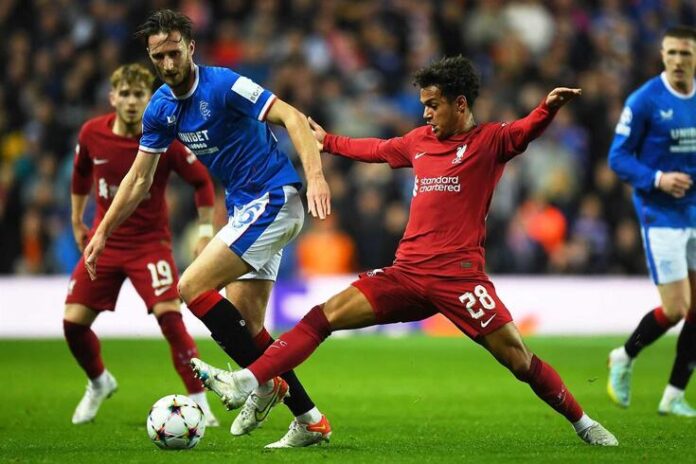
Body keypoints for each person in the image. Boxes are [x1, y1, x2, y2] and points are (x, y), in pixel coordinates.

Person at [191, 56, 619, 447]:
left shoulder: (490, 141)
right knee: (323, 316)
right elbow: (375, 150)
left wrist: (547, 109)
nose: (426, 113)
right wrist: (328, 142)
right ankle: (251, 381)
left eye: (433, 105)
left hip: (460, 279)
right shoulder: (418, 141)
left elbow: (526, 130)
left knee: (519, 361)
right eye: (424, 105)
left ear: (461, 104)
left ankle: (584, 423)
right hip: (406, 274)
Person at [82, 9, 332, 448]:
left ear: (190, 48)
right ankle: (308, 417)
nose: (168, 63)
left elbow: (293, 116)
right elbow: (139, 180)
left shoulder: (224, 84)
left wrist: (315, 176)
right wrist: (101, 231)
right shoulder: (160, 107)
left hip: (273, 197)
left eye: (174, 52)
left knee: (191, 285)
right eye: (158, 57)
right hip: (244, 209)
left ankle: (257, 381)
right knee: (249, 325)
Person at [65, 63, 218, 426]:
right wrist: (76, 219)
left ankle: (199, 401)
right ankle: (99, 381)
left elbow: (202, 182)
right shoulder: (91, 134)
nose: (133, 102)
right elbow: (81, 174)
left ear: (149, 98)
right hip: (105, 241)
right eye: (127, 94)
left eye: (140, 95)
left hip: (150, 243)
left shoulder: (163, 138)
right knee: (73, 323)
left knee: (171, 319)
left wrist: (205, 229)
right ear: (113, 97)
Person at [607, 25, 696, 417]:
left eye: (686, 54)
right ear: (662, 55)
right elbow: (618, 157)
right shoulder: (644, 101)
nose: (678, 61)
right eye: (672, 53)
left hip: (694, 211)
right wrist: (658, 179)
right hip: (659, 214)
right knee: (676, 309)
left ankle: (674, 393)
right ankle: (624, 356)